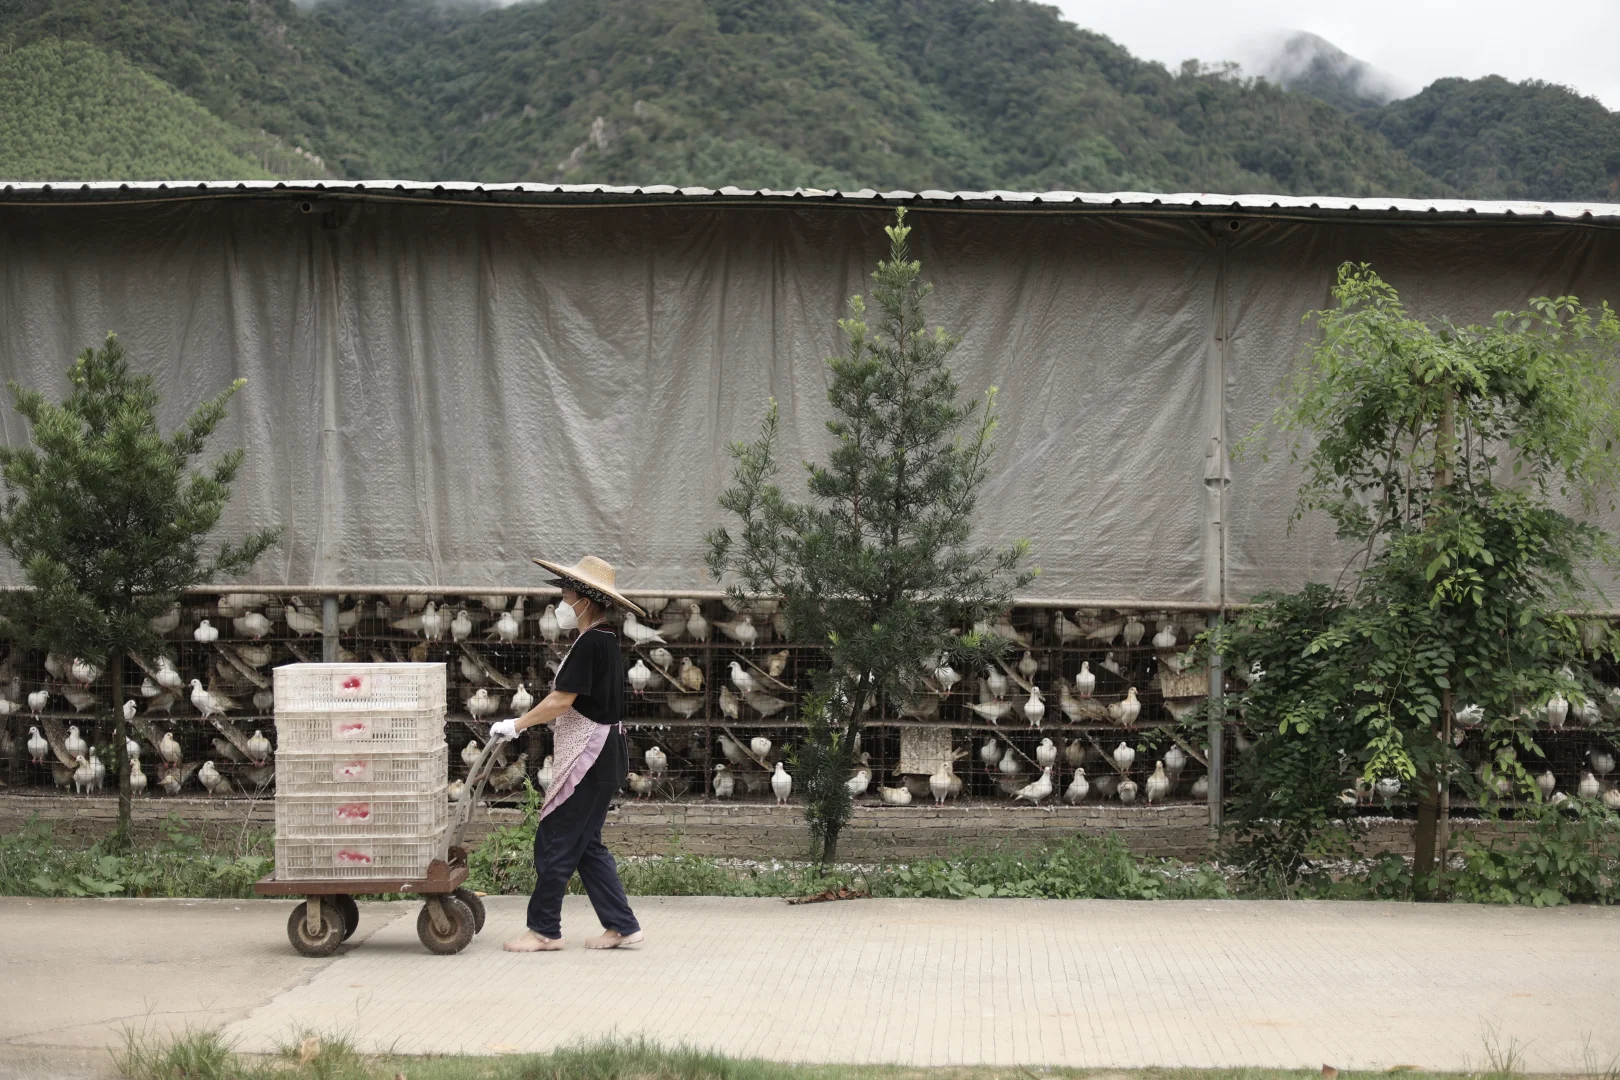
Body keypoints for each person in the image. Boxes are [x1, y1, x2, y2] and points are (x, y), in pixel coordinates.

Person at [489, 554, 644, 952]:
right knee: (586, 844)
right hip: (603, 753)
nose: (561, 602)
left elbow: (560, 700)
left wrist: (515, 725)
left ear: (585, 600)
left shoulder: (592, 642)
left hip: (590, 757)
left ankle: (543, 930)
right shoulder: (603, 639)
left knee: (556, 838)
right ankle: (622, 926)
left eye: (566, 593)